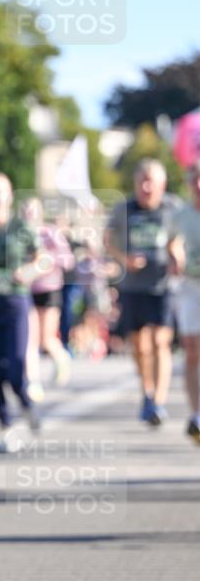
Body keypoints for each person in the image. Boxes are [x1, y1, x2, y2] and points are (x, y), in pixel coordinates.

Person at [106, 159, 181, 425]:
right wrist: (124, 259)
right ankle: (147, 393)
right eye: (142, 182)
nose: (146, 187)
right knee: (139, 345)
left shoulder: (173, 207)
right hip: (133, 286)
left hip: (163, 285)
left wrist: (176, 254)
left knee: (160, 341)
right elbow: (107, 240)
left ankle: (158, 401)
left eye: (151, 182)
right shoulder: (123, 208)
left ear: (162, 184)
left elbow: (182, 237)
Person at [0, 173, 41, 453]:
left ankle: (25, 401)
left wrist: (28, 271)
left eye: (1, 191)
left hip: (15, 303)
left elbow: (44, 259)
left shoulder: (20, 226)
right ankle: (4, 425)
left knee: (16, 365)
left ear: (10, 196)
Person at [22, 197, 74, 397]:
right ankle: (33, 382)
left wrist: (47, 260)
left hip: (50, 289)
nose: (29, 215)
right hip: (28, 290)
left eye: (33, 211)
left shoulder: (51, 232)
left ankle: (62, 359)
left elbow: (68, 261)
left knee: (47, 338)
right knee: (30, 339)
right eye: (26, 211)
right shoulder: (21, 234)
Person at [168, 159, 200, 444]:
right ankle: (197, 415)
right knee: (191, 349)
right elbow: (171, 241)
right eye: (195, 179)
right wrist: (175, 255)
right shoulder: (181, 214)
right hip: (190, 287)